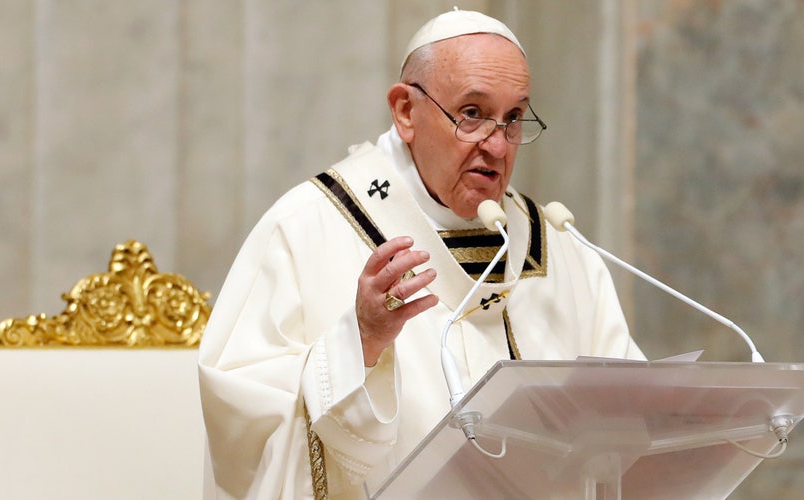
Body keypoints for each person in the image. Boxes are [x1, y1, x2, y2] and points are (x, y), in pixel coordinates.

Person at [198, 8, 645, 499]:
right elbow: (241, 419)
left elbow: (630, 422)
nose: (497, 146)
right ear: (406, 112)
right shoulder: (309, 227)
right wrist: (361, 344)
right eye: (472, 114)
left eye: (514, 117)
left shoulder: (558, 247)